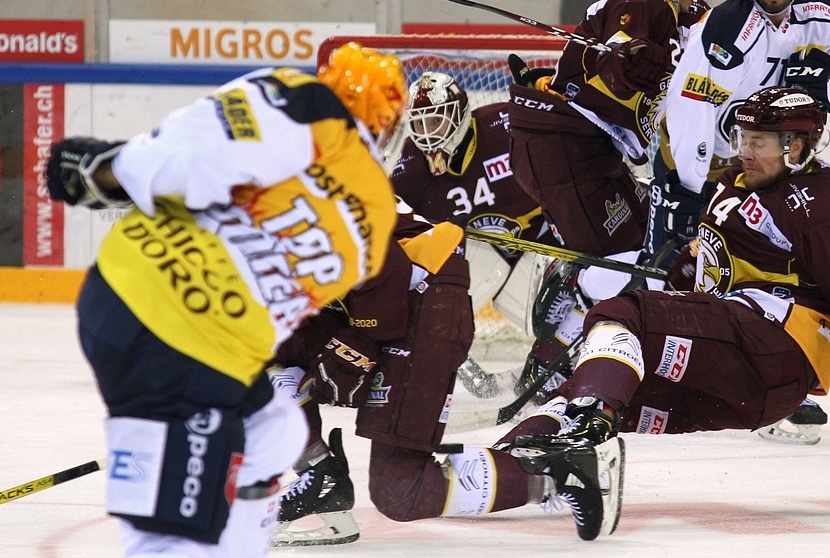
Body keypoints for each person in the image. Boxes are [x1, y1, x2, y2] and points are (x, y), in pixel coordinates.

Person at [43, 43, 408, 558]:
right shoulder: (375, 213)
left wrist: (107, 168)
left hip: (160, 316)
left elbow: (187, 159)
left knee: (274, 432)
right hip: (167, 326)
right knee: (168, 540)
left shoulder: (302, 101)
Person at [501, 86, 830, 490]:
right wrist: (686, 270)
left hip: (775, 348)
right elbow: (715, 260)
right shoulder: (736, 180)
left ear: (799, 148)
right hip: (742, 373)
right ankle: (505, 472)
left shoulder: (818, 206)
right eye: (743, 139)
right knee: (579, 391)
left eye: (759, 143)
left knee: (619, 314)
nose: (746, 151)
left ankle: (587, 436)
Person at [268, 204, 625, 545]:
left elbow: (383, 263)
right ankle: (319, 475)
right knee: (250, 354)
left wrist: (356, 349)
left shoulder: (268, 204)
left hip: (421, 295)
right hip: (387, 295)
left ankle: (566, 472)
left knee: (400, 489)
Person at [652, 0, 830, 443]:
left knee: (780, 268)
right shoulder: (727, 25)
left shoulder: (824, 13)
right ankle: (628, 354)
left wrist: (822, 81)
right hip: (709, 156)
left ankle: (775, 387)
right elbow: (691, 110)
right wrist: (692, 187)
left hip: (772, 160)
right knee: (673, 269)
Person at [506, 0, 717, 260]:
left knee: (646, 237)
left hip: (587, 148)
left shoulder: (679, 12)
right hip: (565, 147)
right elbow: (618, 68)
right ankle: (568, 286)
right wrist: (629, 62)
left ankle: (577, 278)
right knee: (621, 257)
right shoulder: (640, 0)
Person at [389, 71, 580, 401]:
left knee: (549, 318)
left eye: (435, 122)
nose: (427, 135)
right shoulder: (408, 167)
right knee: (439, 275)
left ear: (460, 114)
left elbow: (570, 155)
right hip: (480, 260)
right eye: (420, 125)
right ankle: (435, 356)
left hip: (540, 244)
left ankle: (569, 366)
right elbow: (391, 228)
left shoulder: (506, 125)